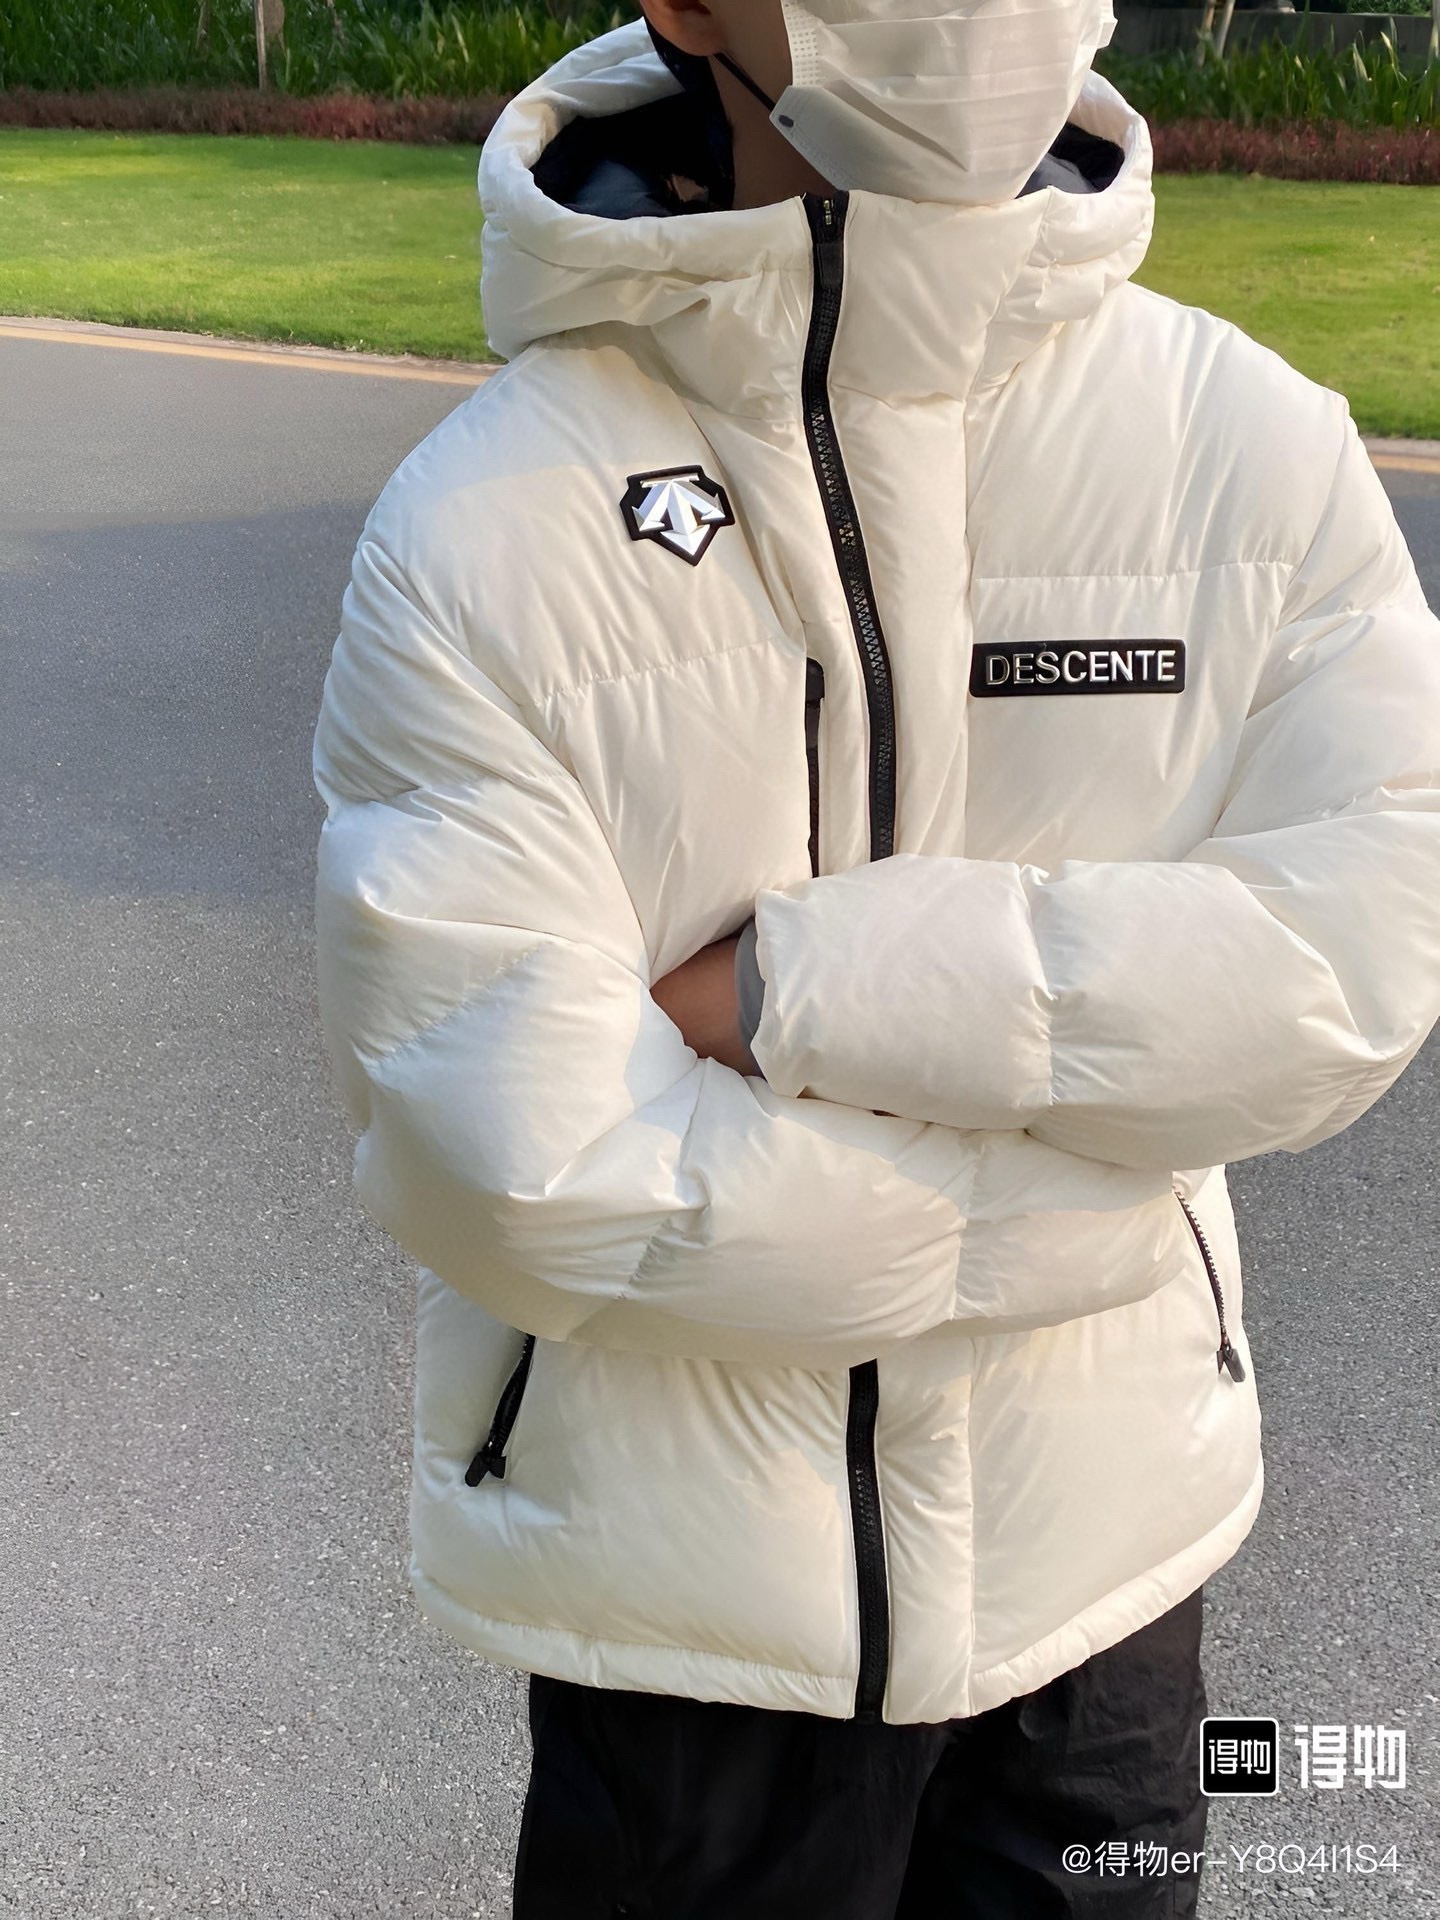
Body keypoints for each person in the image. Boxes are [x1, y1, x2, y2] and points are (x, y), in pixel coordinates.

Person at [310, 0, 1440, 1912]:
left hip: (1108, 1595)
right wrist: (1108, 1176)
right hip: (688, 1645)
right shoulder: (484, 528)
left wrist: (799, 987)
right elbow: (519, 1159)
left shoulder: (1249, 446)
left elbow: (1355, 962)